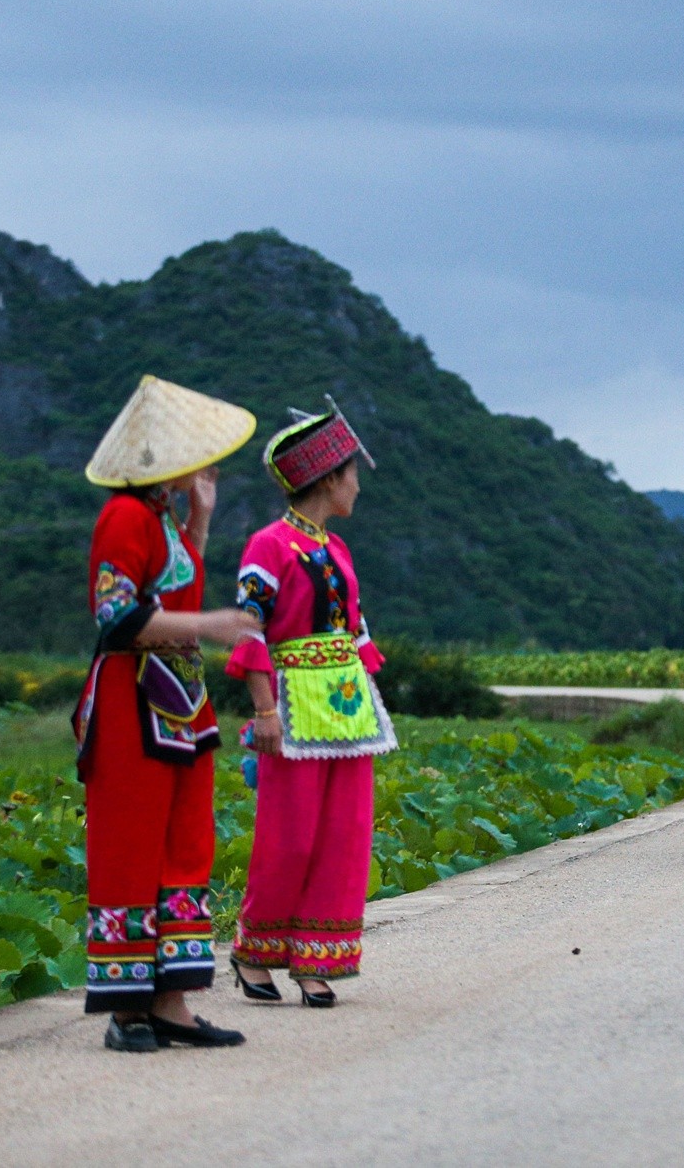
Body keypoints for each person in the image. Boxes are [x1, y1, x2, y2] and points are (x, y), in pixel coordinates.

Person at [76, 374, 261, 1053]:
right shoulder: (124, 517)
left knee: (183, 844)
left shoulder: (161, 519)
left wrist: (202, 518)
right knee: (132, 845)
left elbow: (176, 589)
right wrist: (212, 624)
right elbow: (116, 616)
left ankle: (171, 1002)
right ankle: (129, 1010)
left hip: (178, 704)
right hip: (133, 706)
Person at [224, 399, 394, 1007]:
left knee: (344, 834)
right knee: (289, 836)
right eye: (351, 474)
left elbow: (356, 631)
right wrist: (264, 710)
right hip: (292, 707)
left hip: (347, 710)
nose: (356, 486)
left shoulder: (338, 550)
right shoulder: (267, 546)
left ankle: (316, 959)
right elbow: (249, 629)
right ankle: (255, 951)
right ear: (326, 477)